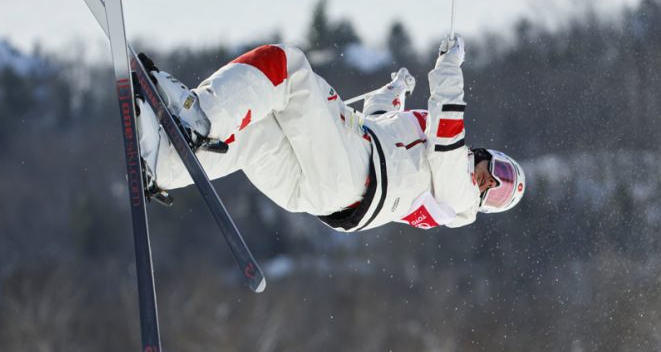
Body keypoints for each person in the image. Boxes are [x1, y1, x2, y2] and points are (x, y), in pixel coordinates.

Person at [134, 36, 525, 232]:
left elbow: (446, 135)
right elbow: (381, 130)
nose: (490, 183)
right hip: (326, 190)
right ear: (491, 155)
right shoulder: (440, 167)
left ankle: (199, 118)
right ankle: (163, 166)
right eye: (502, 174)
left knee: (285, 65)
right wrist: (395, 94)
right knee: (253, 132)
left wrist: (449, 67)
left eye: (499, 193)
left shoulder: (460, 199)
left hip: (352, 176)